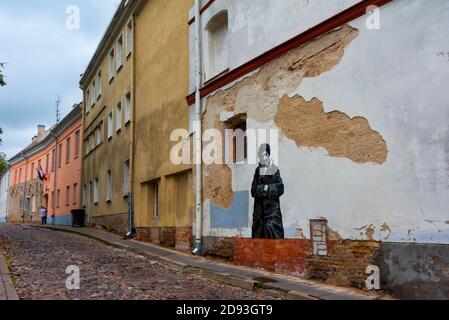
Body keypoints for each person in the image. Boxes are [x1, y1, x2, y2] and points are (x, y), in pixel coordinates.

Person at [251, 144, 285, 239]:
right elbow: (253, 190)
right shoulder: (258, 171)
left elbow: (280, 188)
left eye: (264, 154)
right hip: (259, 216)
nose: (262, 157)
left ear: (268, 155)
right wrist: (264, 188)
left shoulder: (274, 169)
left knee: (274, 241)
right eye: (260, 155)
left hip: (272, 214)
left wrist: (267, 188)